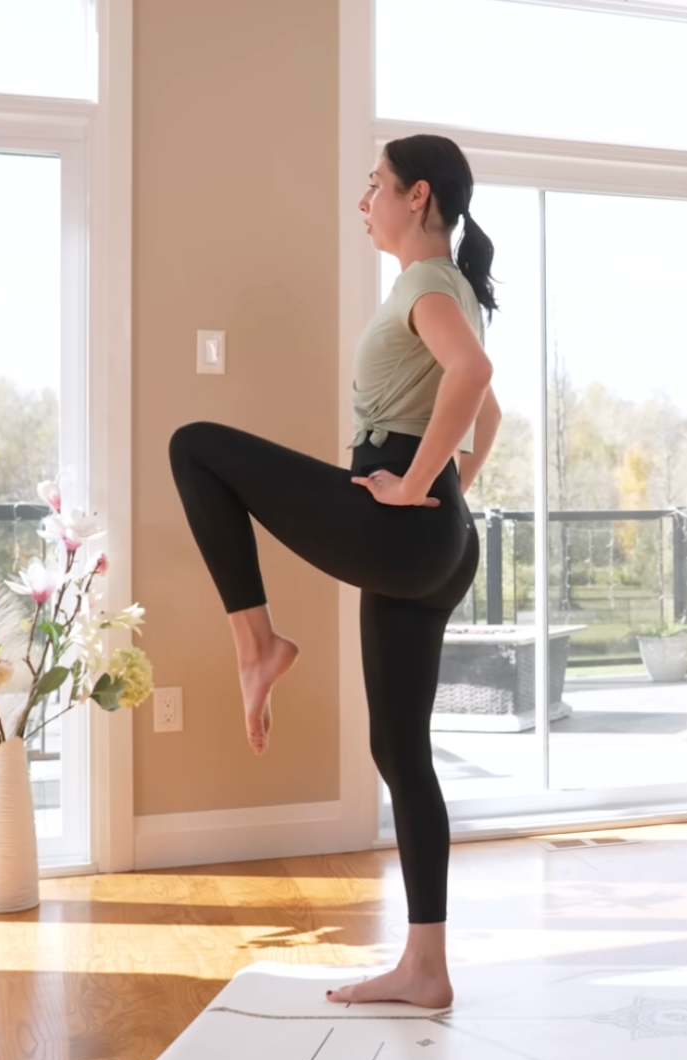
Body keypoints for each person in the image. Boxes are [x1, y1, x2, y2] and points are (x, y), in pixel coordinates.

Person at [168, 133, 501, 1009]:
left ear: (418, 196)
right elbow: (487, 412)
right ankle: (425, 968)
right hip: (439, 546)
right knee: (400, 752)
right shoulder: (453, 287)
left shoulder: (428, 285)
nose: (365, 203)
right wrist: (447, 495)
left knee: (195, 448)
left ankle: (258, 645)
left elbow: (476, 376)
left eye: (376, 187)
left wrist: (417, 486)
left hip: (407, 529)